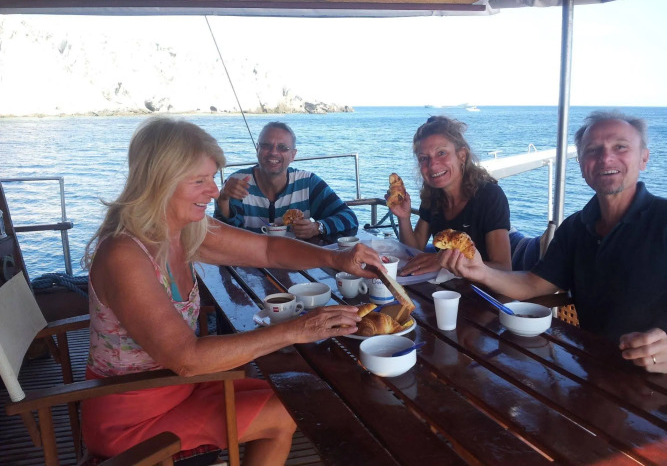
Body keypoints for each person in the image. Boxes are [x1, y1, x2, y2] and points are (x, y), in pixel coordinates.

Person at [81, 116, 386, 463]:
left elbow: (268, 250)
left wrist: (336, 258)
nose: (214, 191)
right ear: (160, 181)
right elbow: (187, 358)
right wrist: (298, 329)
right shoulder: (124, 254)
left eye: (212, 178)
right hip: (133, 415)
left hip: (181, 387)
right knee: (286, 411)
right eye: (200, 180)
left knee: (295, 395)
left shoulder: (186, 230)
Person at [439, 110, 667, 374]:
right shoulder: (575, 227)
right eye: (593, 150)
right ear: (582, 164)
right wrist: (480, 271)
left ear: (644, 157)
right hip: (593, 370)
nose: (605, 158)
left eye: (620, 147)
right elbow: (533, 284)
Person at [391, 115, 512, 274]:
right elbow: (414, 249)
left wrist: (442, 262)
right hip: (447, 286)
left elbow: (504, 268)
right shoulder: (433, 196)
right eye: (424, 158)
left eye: (441, 153)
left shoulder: (489, 196)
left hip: (481, 288)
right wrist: (404, 217)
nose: (432, 165)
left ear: (462, 155)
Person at [213, 121, 358, 239]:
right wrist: (223, 199)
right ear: (257, 150)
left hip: (295, 260)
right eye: (266, 145)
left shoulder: (307, 183)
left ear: (293, 155)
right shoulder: (238, 182)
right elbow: (222, 233)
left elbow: (349, 218)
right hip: (250, 261)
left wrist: (317, 227)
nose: (273, 152)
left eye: (282, 147)